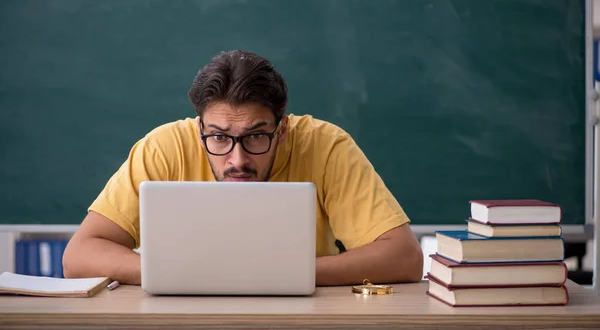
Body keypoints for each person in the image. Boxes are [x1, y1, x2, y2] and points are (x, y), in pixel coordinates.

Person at [62, 50, 423, 286]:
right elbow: (80, 255)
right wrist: (181, 275)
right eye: (218, 138)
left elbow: (404, 258)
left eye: (255, 137)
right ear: (200, 128)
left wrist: (279, 276)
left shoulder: (326, 146)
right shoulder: (163, 147)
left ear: (282, 131)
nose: (237, 160)